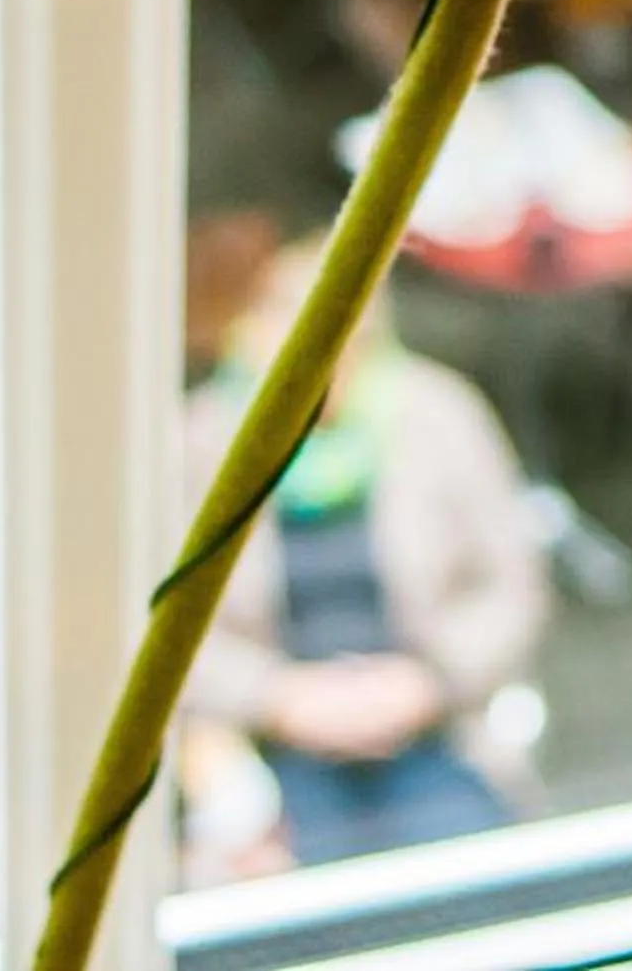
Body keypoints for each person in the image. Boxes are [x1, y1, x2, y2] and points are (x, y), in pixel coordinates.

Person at [182, 243, 548, 867]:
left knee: (469, 875)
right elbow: (167, 630)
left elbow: (513, 587)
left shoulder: (439, 415)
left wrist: (428, 680)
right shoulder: (198, 444)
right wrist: (279, 697)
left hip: (429, 725)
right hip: (273, 742)